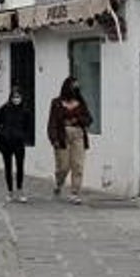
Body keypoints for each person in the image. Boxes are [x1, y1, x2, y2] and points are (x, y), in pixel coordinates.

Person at [47, 76, 93, 204]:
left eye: (77, 87)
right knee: (64, 166)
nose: (76, 89)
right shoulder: (56, 103)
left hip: (78, 135)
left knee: (78, 165)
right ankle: (58, 183)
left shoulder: (81, 102)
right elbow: (52, 123)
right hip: (62, 135)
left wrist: (78, 120)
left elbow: (89, 119)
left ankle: (74, 193)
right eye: (74, 86)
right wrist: (54, 139)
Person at [0, 86, 30, 203]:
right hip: (6, 143)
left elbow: (28, 127)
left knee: (20, 167)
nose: (16, 99)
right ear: (11, 97)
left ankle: (20, 190)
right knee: (8, 167)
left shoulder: (25, 111)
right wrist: (2, 133)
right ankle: (9, 191)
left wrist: (23, 136)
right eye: (14, 97)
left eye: (18, 97)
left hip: (19, 143)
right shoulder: (3, 110)